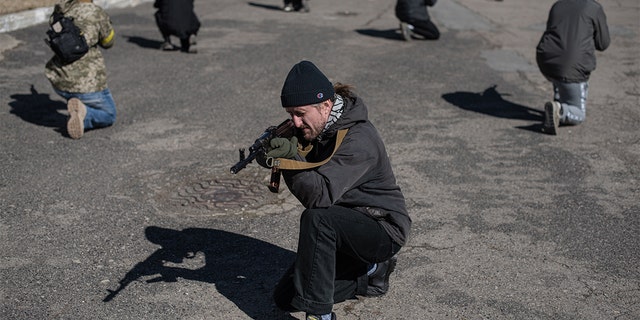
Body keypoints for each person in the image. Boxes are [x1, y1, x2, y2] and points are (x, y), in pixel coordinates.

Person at [268, 61, 411, 320]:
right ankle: (372, 274)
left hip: (381, 228)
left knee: (317, 220)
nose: (295, 122)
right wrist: (270, 152)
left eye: (300, 114)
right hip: (343, 225)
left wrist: (289, 160)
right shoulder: (319, 126)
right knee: (286, 298)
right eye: (290, 114)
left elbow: (318, 197)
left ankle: (319, 315)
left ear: (326, 106)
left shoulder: (359, 139)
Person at [45, 0, 116, 139]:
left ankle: (77, 104)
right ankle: (84, 114)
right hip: (87, 83)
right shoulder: (96, 12)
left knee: (75, 92)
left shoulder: (61, 10)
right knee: (109, 115)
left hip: (60, 79)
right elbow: (108, 42)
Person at [536, 0, 610, 135]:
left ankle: (558, 102)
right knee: (579, 114)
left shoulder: (558, 5)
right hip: (572, 67)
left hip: (546, 60)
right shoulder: (594, 8)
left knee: (560, 74)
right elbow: (603, 43)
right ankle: (560, 110)